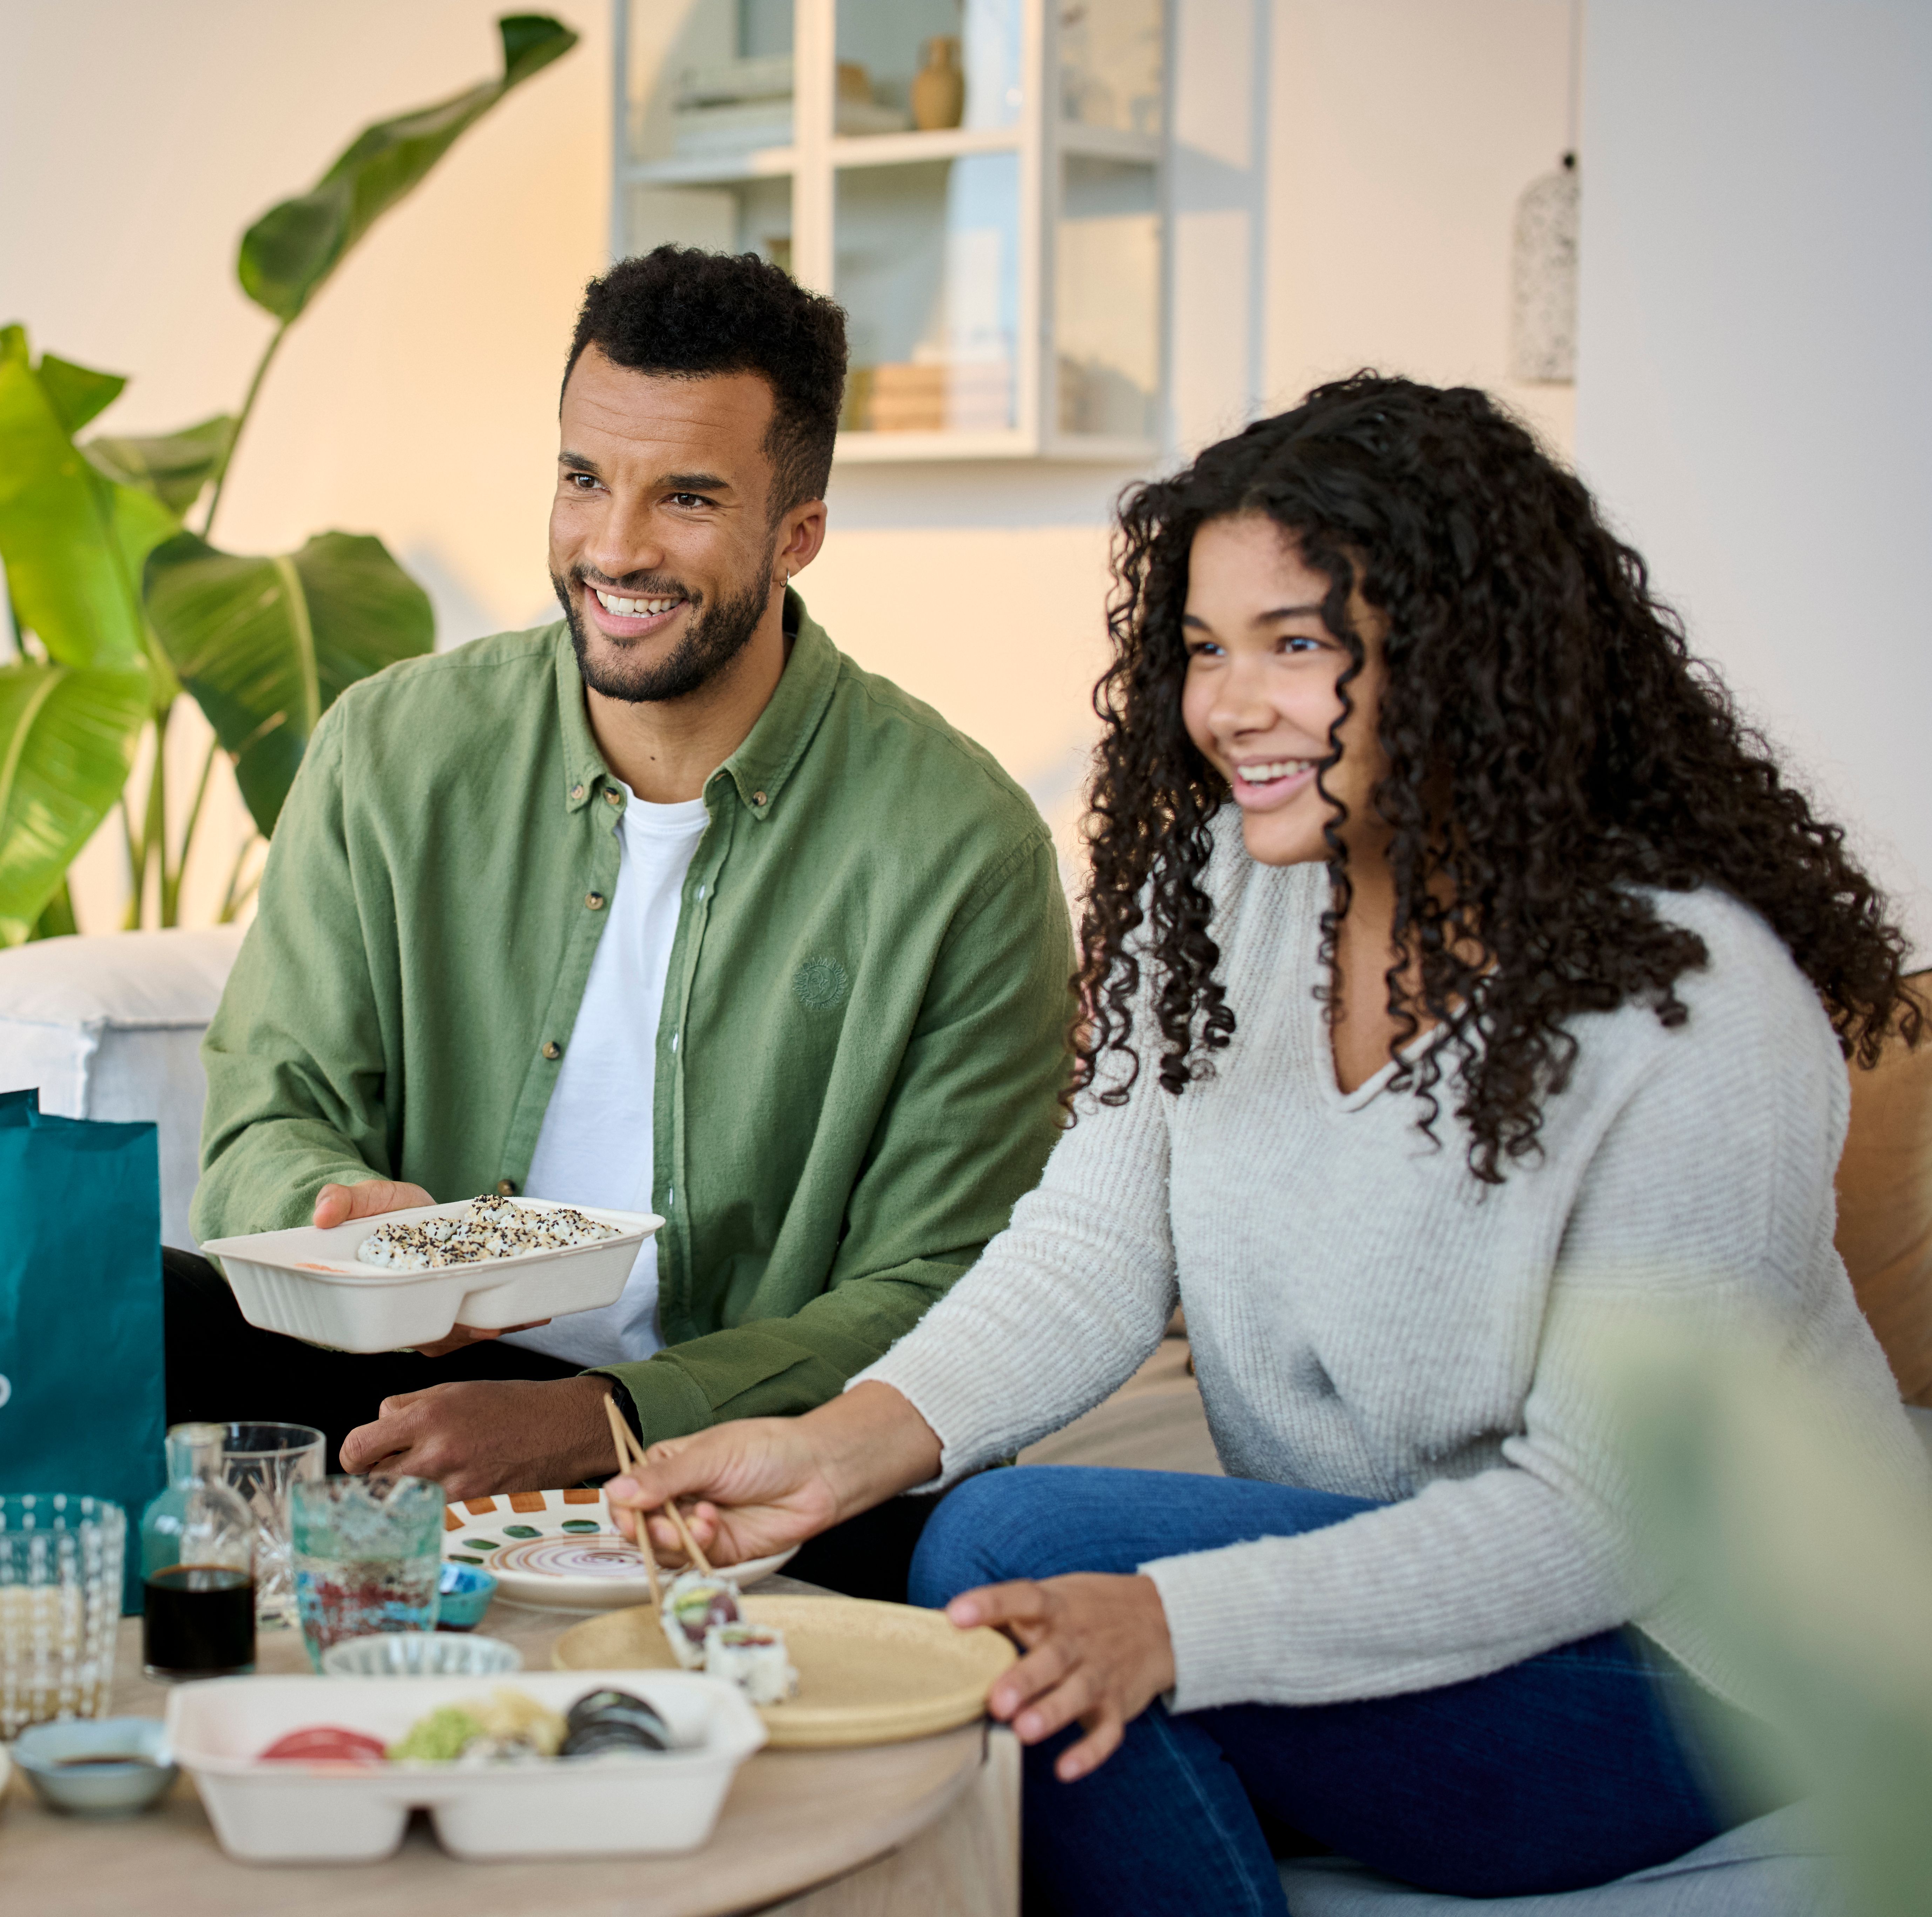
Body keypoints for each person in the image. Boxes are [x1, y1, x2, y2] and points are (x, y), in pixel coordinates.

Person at [605, 375, 1932, 1911]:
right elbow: (1094, 1248)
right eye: (1201, 649)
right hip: (1397, 1571)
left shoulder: (1690, 1007)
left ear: (1473, 653)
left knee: (1019, 1541)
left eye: (1296, 644)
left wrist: (1181, 1622)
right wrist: (830, 1449)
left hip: (1700, 1679)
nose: (1229, 706)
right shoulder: (1216, 894)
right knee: (958, 1573)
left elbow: (1596, 1524)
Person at [173, 246, 1075, 1599]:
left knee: (954, 1528)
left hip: (762, 1434)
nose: (615, 548)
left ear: (800, 532)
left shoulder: (963, 848)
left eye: (689, 498)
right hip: (411, 1371)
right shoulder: (392, 750)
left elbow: (946, 1283)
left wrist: (598, 1424)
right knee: (134, 1310)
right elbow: (265, 1104)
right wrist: (338, 1218)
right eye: (584, 479)